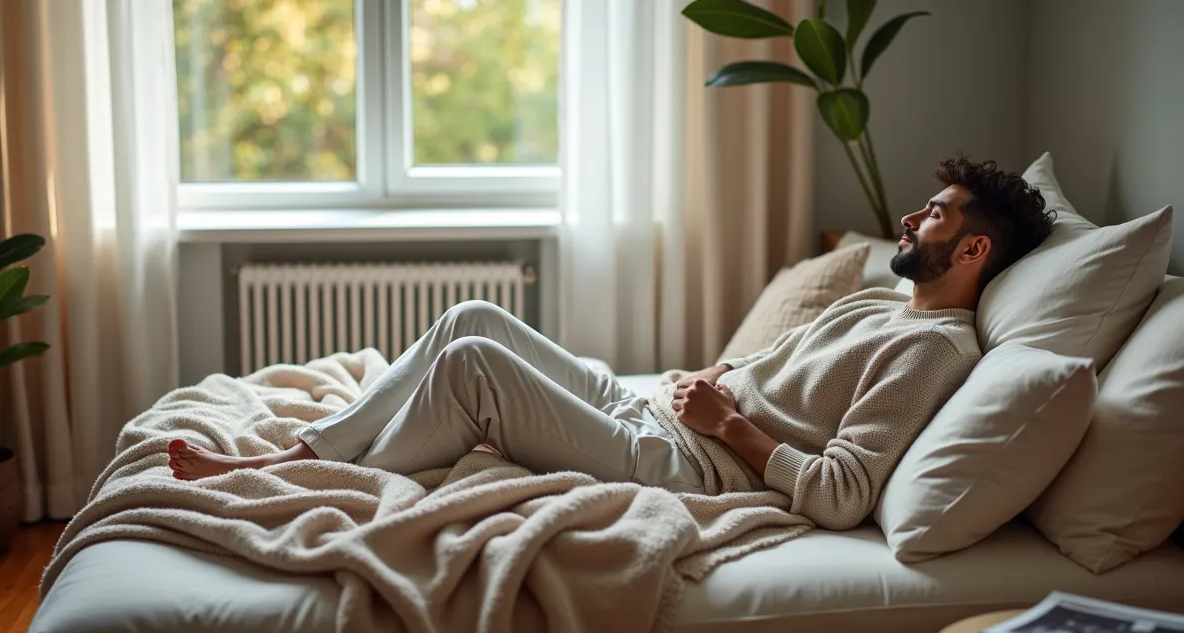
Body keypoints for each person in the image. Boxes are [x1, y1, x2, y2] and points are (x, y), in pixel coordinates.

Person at [169, 156, 1054, 531]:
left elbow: (845, 494)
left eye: (935, 213)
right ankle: (304, 450)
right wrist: (721, 376)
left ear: (972, 249)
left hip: (688, 462)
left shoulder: (937, 351)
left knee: (472, 371)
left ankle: (296, 479)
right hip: (661, 411)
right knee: (472, 316)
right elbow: (777, 372)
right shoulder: (884, 304)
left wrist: (730, 426)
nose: (912, 215)